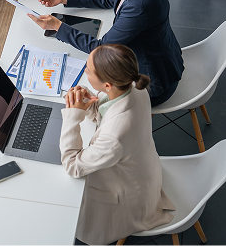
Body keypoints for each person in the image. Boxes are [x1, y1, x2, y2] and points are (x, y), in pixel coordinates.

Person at [29, 0, 184, 107]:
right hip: (161, 57)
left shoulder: (140, 6)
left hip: (152, 84)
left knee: (88, 97)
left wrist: (58, 27)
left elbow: (102, 49)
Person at [61, 44, 175, 245]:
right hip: (144, 169)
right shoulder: (134, 87)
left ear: (107, 85)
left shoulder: (114, 137)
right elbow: (104, 110)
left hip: (129, 196)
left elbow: (73, 166)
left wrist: (72, 115)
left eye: (88, 69)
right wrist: (87, 100)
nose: (85, 70)